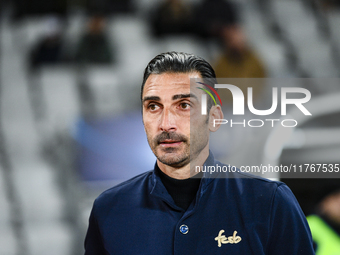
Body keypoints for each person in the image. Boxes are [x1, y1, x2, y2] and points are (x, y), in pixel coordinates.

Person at [84, 52, 315, 254]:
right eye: (153, 106)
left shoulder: (271, 203)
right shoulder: (109, 209)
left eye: (184, 105)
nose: (166, 124)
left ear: (214, 118)